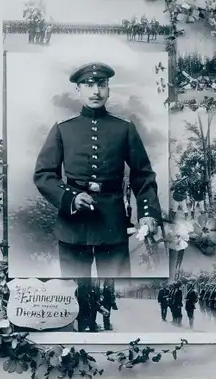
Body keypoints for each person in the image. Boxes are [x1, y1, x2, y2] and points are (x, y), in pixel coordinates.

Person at [33, 62, 162, 278]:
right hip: (73, 225)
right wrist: (71, 197)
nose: (96, 91)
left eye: (102, 84)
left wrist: (148, 214)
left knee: (117, 291)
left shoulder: (124, 128)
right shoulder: (63, 128)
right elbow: (43, 175)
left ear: (109, 89)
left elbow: (143, 174)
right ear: (78, 89)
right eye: (89, 84)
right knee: (74, 292)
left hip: (112, 222)